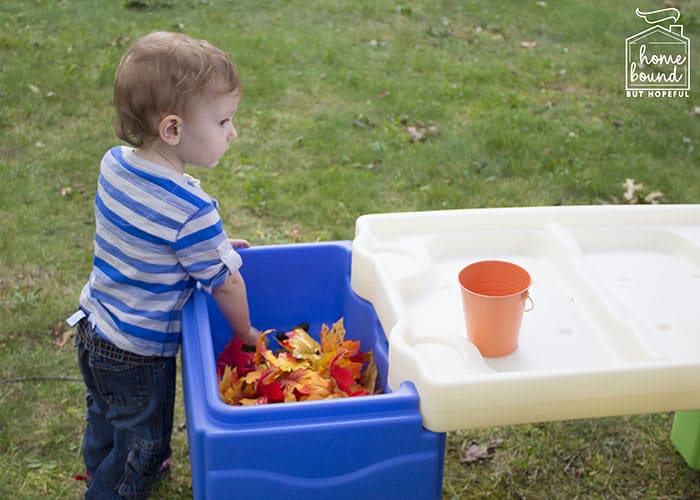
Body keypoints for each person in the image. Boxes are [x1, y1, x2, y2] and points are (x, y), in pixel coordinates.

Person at [68, 31, 260, 499]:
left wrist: (208, 247)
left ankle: (98, 467)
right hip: (139, 352)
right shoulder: (191, 211)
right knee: (144, 441)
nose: (232, 132)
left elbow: (146, 235)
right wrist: (248, 335)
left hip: (94, 326)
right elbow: (227, 283)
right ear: (172, 130)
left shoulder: (114, 164)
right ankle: (113, 490)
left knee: (105, 413)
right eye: (223, 121)